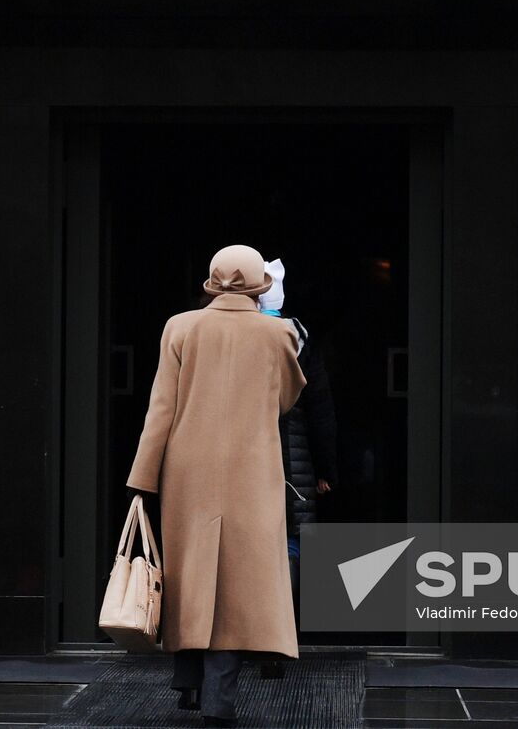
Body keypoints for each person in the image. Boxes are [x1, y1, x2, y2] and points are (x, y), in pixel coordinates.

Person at [126, 243, 307, 728]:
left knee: (191, 574)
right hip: (252, 470)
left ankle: (188, 681)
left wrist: (142, 478)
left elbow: (161, 407)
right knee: (236, 587)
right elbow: (286, 399)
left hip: (187, 470)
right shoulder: (278, 333)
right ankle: (218, 702)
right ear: (260, 284)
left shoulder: (180, 327)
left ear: (211, 281)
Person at [255, 258, 338, 680]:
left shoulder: (239, 336)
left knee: (248, 542)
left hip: (248, 455)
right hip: (296, 456)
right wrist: (325, 468)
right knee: (289, 542)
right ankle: (279, 640)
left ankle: (247, 635)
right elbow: (321, 408)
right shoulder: (299, 340)